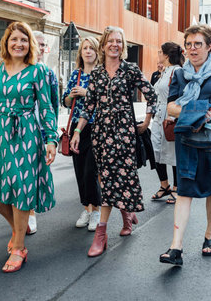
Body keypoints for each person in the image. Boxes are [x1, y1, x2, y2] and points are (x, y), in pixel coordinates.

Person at [70, 26, 157, 257]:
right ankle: (120, 221)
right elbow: (88, 107)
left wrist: (146, 122)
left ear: (123, 45)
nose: (115, 45)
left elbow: (151, 95)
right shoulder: (97, 74)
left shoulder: (130, 69)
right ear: (104, 44)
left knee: (122, 176)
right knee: (106, 179)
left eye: (119, 41)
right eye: (110, 41)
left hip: (125, 133)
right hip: (101, 133)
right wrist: (78, 131)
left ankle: (103, 232)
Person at [0, 22, 58, 273]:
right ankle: (18, 229)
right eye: (14, 39)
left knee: (21, 191)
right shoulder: (0, 68)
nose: (18, 44)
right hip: (1, 136)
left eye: (23, 40)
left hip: (26, 134)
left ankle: (19, 248)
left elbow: (46, 108)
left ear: (30, 45)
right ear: (6, 42)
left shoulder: (36, 71)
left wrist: (51, 140)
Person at [159, 24, 211, 266]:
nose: (192, 49)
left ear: (210, 46)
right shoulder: (180, 74)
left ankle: (210, 236)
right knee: (184, 190)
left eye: (198, 44)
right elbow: (171, 105)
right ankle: (176, 247)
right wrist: (192, 114)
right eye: (189, 44)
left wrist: (206, 115)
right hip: (187, 139)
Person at [62, 37, 102, 231]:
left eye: (91, 48)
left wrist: (87, 93)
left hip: (96, 127)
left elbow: (106, 100)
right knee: (79, 171)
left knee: (91, 171)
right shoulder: (76, 75)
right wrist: (72, 95)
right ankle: (86, 209)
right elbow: (66, 102)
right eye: (85, 48)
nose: (87, 51)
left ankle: (96, 211)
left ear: (97, 52)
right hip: (76, 127)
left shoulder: (101, 74)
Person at [25, 31, 60, 234]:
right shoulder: (17, 70)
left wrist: (51, 137)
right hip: (19, 131)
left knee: (33, 175)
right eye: (37, 43)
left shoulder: (48, 73)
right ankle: (21, 214)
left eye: (44, 44)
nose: (40, 48)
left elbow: (53, 107)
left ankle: (30, 214)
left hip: (39, 131)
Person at [150, 42, 185, 204]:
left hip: (170, 116)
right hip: (158, 117)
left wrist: (174, 114)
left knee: (172, 153)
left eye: (160, 52)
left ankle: (178, 188)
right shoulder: (163, 72)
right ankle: (164, 185)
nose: (158, 54)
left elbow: (182, 94)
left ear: (166, 55)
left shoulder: (177, 71)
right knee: (156, 151)